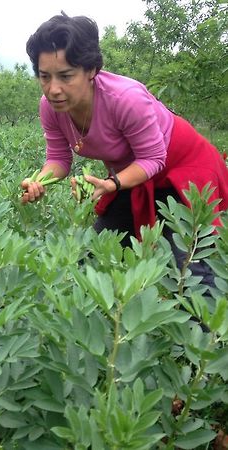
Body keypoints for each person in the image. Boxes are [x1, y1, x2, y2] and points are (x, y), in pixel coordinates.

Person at [21, 12, 228, 286]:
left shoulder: (126, 99)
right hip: (131, 176)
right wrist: (39, 181)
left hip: (185, 170)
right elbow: (58, 158)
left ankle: (208, 327)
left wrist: (112, 183)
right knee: (93, 254)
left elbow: (154, 157)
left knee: (190, 270)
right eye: (44, 76)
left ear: (91, 70)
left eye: (66, 76)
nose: (53, 88)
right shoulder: (50, 107)